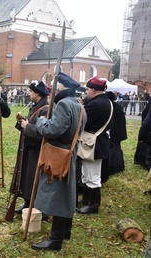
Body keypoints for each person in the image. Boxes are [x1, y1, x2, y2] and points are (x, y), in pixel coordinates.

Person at [31, 72, 86, 251]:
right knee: (66, 192)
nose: (51, 91)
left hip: (59, 154)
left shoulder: (63, 104)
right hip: (70, 151)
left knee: (58, 195)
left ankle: (55, 239)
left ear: (60, 88)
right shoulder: (79, 105)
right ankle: (65, 231)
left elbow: (53, 130)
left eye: (53, 87)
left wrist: (40, 122)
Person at [76, 77, 113, 215]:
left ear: (93, 89)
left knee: (93, 176)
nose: (86, 92)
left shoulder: (96, 104)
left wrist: (81, 108)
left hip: (94, 143)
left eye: (87, 89)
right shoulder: (104, 101)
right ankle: (87, 200)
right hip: (97, 141)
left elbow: (84, 121)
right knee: (87, 174)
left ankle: (93, 205)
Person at [14, 81, 49, 213]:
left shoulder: (46, 109)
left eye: (31, 91)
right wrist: (21, 122)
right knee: (27, 177)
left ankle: (37, 206)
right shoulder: (35, 106)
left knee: (35, 178)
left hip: (38, 149)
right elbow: (30, 124)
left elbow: (44, 132)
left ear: (38, 93)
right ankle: (28, 203)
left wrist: (27, 126)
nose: (29, 94)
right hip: (29, 147)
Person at [102, 91, 127, 182]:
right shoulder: (117, 106)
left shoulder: (113, 107)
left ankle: (114, 167)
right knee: (117, 149)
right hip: (118, 132)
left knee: (114, 150)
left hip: (115, 132)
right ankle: (118, 166)